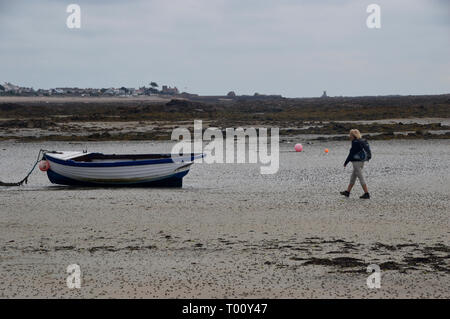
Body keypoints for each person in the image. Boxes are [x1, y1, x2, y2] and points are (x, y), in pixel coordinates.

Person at [340, 129, 370, 199]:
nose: (349, 136)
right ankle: (347, 192)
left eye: (350, 135)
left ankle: (367, 193)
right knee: (353, 177)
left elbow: (351, 154)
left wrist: (345, 162)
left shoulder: (355, 143)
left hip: (356, 163)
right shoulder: (360, 141)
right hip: (361, 162)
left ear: (353, 136)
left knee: (360, 178)